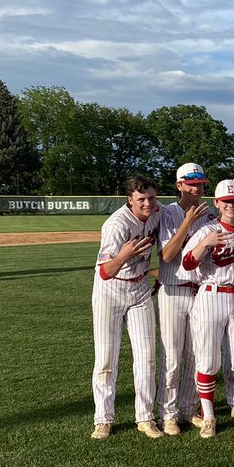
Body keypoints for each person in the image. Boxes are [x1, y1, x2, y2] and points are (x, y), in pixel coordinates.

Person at [183, 178, 234, 441]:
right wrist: (205, 244)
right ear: (216, 203)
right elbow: (186, 264)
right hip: (210, 295)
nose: (231, 205)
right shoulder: (206, 230)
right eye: (226, 201)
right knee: (208, 360)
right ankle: (208, 416)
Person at [90, 175, 161, 440]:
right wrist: (123, 255)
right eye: (141, 199)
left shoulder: (156, 212)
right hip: (111, 290)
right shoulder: (116, 225)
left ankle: (145, 417)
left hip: (140, 288)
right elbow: (106, 271)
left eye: (151, 197)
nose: (147, 203)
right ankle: (103, 419)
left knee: (147, 356)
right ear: (129, 199)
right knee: (107, 358)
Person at [155, 163, 216, 435]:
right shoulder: (168, 212)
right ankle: (168, 413)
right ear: (179, 185)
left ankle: (189, 409)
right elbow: (167, 256)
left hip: (200, 291)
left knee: (196, 355)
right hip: (173, 289)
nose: (197, 187)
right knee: (172, 357)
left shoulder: (210, 214)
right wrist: (188, 222)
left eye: (200, 183)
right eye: (191, 183)